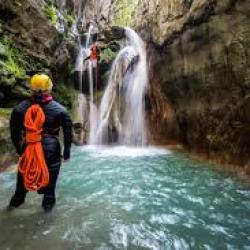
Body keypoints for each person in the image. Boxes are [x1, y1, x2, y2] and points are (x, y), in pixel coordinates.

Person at [8, 74, 72, 212]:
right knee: (49, 194)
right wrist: (66, 153)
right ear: (49, 89)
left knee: (21, 190)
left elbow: (14, 134)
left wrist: (20, 151)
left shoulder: (19, 109)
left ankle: (9, 212)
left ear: (31, 89)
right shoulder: (60, 110)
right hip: (51, 150)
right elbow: (68, 134)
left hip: (29, 148)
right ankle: (47, 225)